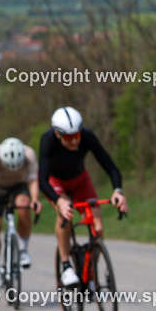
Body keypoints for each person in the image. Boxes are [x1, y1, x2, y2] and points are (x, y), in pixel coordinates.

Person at [38, 106, 128, 286]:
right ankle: (65, 265)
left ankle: (91, 270)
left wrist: (118, 191)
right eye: (69, 138)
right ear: (57, 134)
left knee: (98, 226)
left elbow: (111, 167)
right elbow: (42, 180)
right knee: (65, 214)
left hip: (80, 180)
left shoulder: (87, 136)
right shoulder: (47, 140)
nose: (74, 142)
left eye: (77, 136)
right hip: (56, 182)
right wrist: (59, 201)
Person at [0, 137, 43, 288]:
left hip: (19, 186)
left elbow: (33, 181)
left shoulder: (29, 154)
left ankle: (23, 250)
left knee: (23, 207)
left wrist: (35, 200)